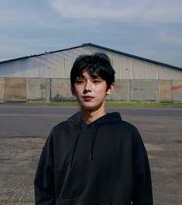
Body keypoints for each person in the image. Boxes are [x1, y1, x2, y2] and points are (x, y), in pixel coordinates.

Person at [34, 53, 153, 205]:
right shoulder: (59, 134)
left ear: (109, 87)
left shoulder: (127, 135)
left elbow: (142, 193)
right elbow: (44, 189)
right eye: (79, 81)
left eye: (96, 81)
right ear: (72, 89)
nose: (87, 88)